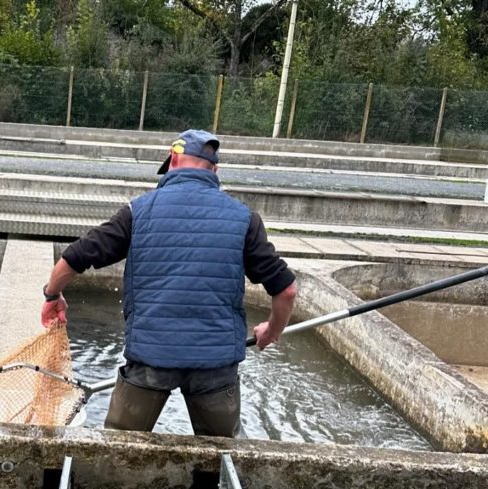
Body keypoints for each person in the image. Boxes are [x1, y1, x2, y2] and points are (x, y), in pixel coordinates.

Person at [40, 129, 296, 436]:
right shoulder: (243, 218)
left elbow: (74, 258)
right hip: (214, 364)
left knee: (118, 450)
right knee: (223, 459)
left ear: (172, 161)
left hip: (150, 358)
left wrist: (52, 295)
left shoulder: (138, 211)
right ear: (214, 170)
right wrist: (272, 330)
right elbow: (286, 290)